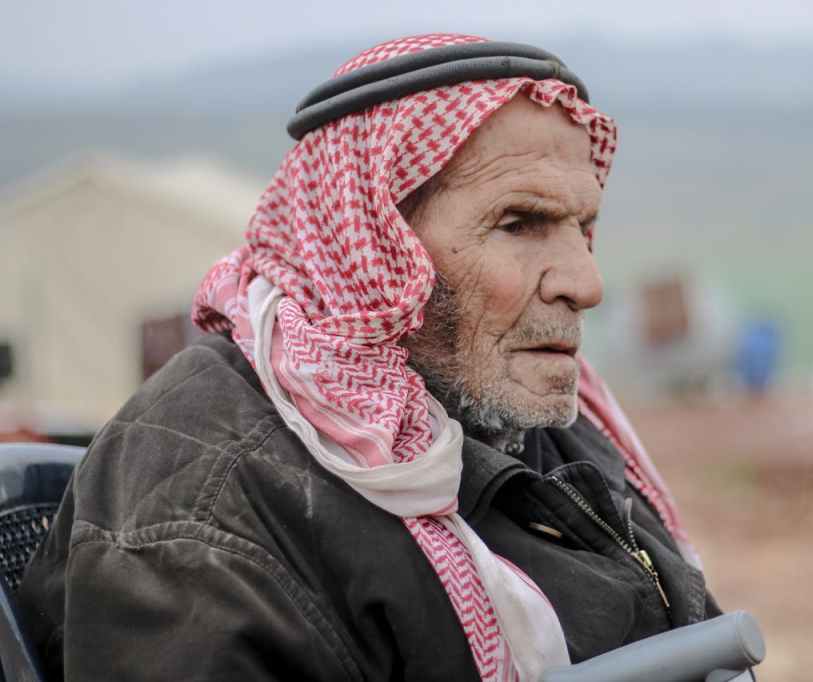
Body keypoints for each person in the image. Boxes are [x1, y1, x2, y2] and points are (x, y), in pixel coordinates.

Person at [18, 34, 720, 681]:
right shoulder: (201, 507)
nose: (587, 282)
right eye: (520, 223)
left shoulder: (505, 400)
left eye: (583, 227)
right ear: (379, 252)